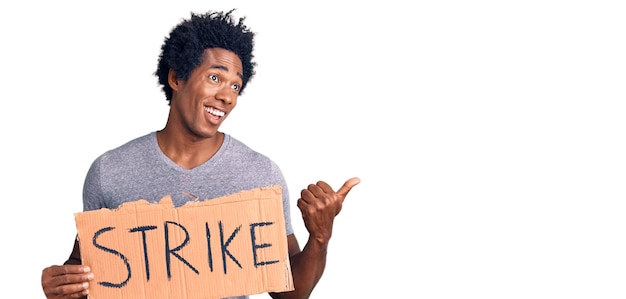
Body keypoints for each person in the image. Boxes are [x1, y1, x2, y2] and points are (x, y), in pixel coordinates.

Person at [40, 9, 359, 299]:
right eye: (215, 77)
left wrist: (319, 238)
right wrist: (60, 285)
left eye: (236, 86)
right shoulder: (110, 171)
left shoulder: (259, 175)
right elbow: (87, 271)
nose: (227, 96)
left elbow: (290, 294)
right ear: (177, 78)